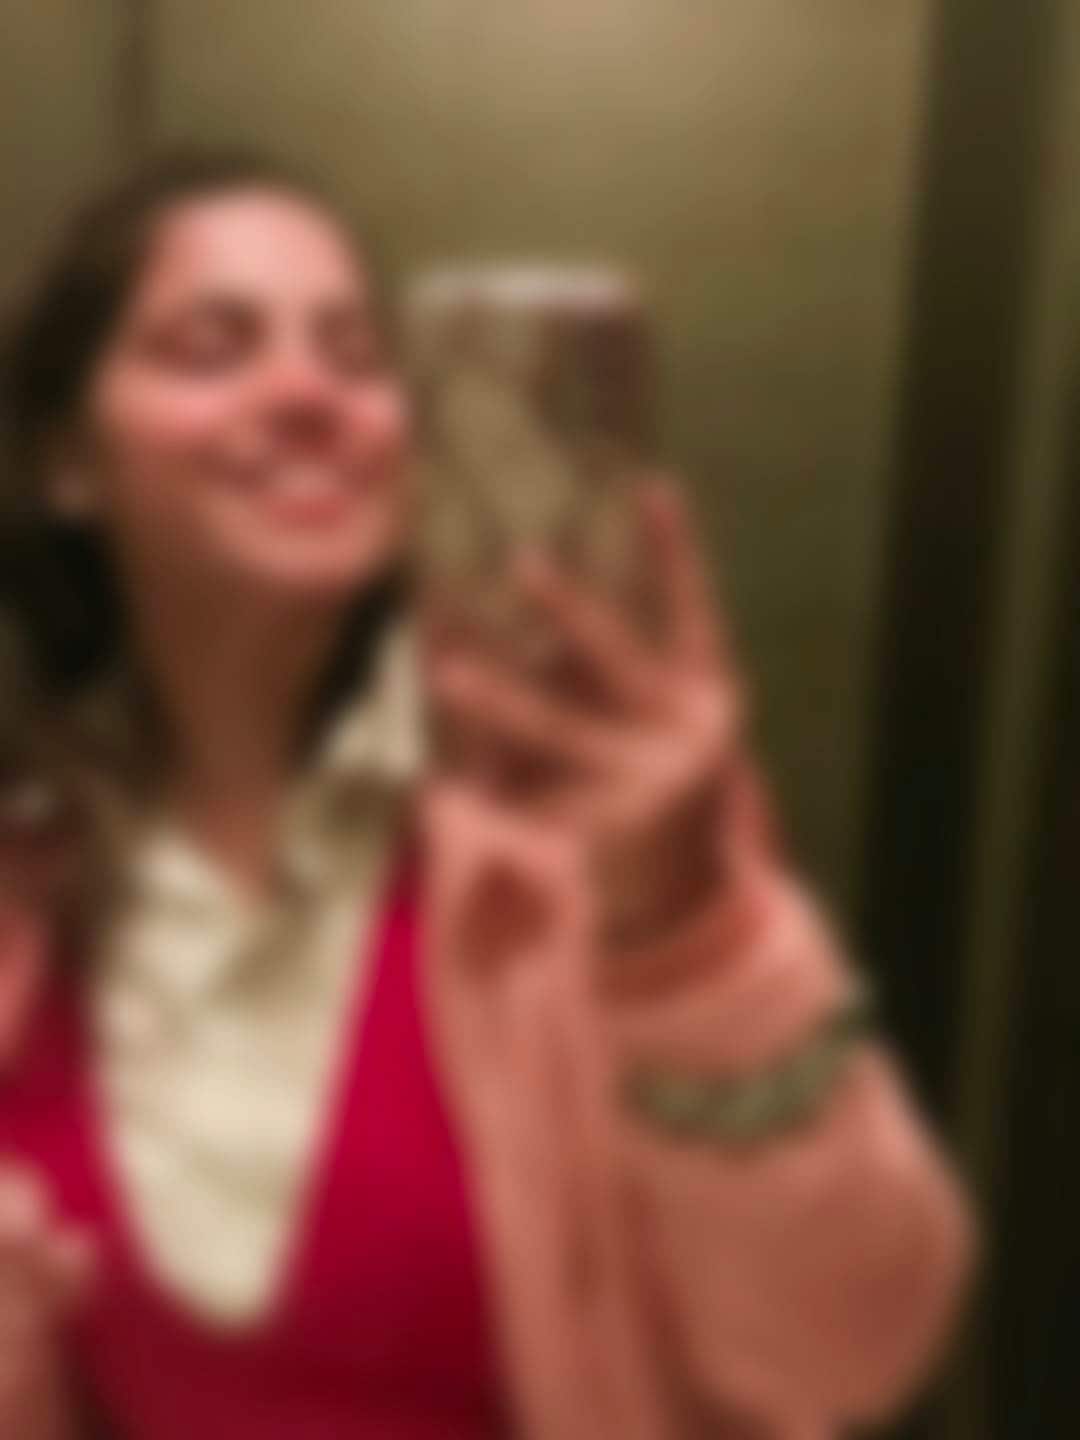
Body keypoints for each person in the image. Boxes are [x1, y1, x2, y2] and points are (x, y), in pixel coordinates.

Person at [0, 150, 974, 1440]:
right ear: (68, 461)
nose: (309, 393)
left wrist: (690, 938)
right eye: (213, 347)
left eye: (359, 355)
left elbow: (852, 1346)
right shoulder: (27, 896)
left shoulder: (579, 837)